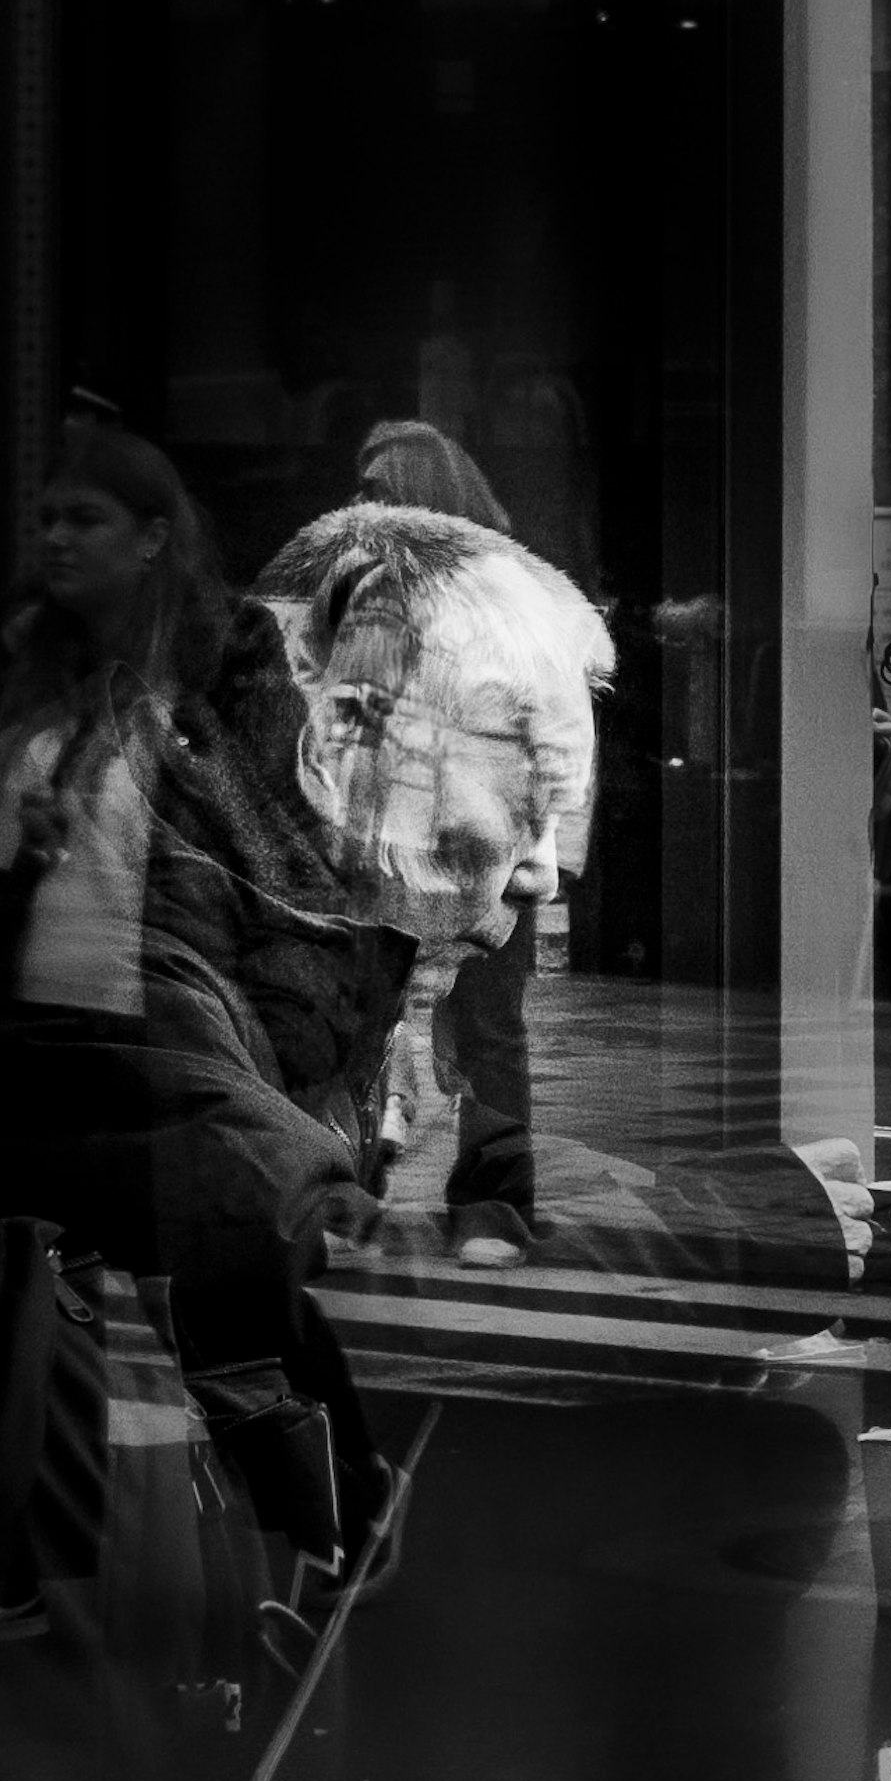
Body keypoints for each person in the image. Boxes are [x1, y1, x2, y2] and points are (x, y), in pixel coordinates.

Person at [0, 410, 402, 1651]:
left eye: (87, 520)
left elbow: (297, 881)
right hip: (26, 1036)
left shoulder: (228, 682)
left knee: (224, 1291)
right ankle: (4, 1564)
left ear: (155, 539)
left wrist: (272, 1060)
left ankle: (350, 1508)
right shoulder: (27, 671)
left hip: (168, 1041)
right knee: (8, 1297)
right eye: (49, 518)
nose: (56, 539)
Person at [348, 419, 542, 1253]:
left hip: (481, 841)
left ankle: (493, 1206)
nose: (361, 504)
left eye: (381, 489)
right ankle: (348, 1187)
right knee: (357, 1014)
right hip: (389, 840)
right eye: (360, 488)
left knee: (487, 1026)